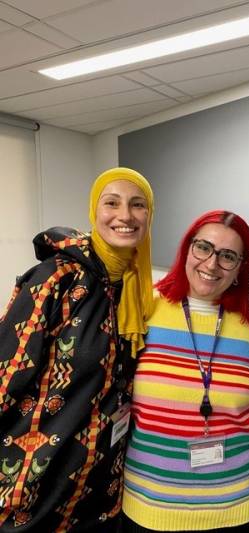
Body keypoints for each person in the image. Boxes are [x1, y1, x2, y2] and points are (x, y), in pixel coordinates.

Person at [0, 167, 154, 532]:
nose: (125, 215)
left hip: (100, 492)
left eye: (137, 205)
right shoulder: (57, 278)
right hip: (34, 487)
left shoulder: (137, 290)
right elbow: (5, 375)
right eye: (112, 203)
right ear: (94, 210)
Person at [122, 210, 249, 533]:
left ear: (240, 268)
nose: (211, 263)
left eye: (228, 256)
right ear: (187, 248)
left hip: (234, 506)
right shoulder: (144, 307)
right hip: (150, 506)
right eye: (203, 247)